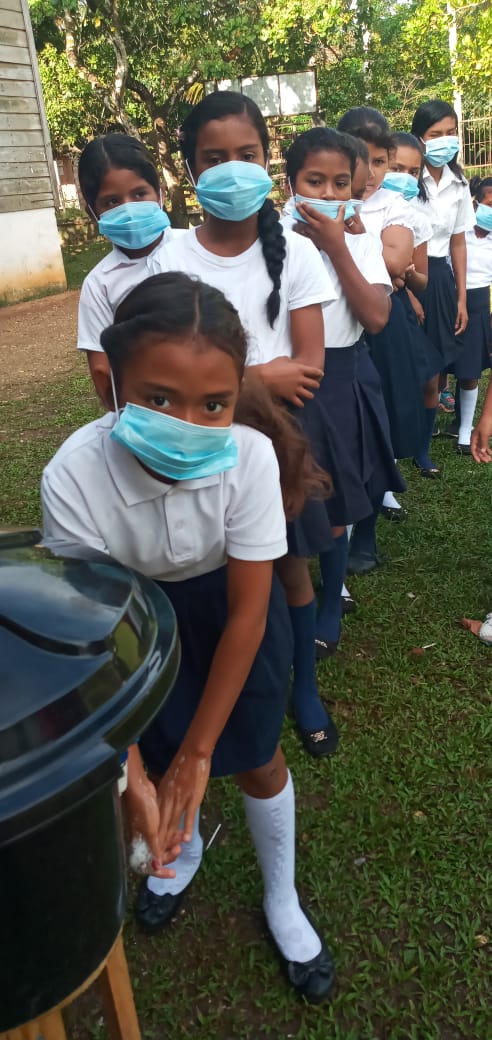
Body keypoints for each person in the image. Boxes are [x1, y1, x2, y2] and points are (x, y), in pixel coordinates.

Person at [42, 272, 335, 1004]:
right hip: (130, 625)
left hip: (231, 616)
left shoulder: (250, 459)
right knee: (159, 752)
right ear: (110, 384)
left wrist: (201, 752)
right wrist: (133, 771)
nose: (187, 424)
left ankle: (281, 895)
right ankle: (185, 845)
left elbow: (248, 614)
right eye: (158, 398)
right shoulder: (72, 477)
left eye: (213, 405)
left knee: (256, 756)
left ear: (237, 395)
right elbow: (93, 638)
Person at [150, 90, 340, 759]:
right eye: (214, 158)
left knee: (290, 569)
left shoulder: (297, 253)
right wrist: (260, 377)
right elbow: (159, 373)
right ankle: (219, 687)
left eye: (247, 154)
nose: (232, 169)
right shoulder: (169, 257)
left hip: (280, 445)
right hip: (193, 445)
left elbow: (308, 369)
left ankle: (304, 688)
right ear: (189, 170)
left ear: (267, 159)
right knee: (217, 573)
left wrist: (225, 386)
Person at [281, 126, 404, 654]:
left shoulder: (358, 242)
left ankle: (331, 598)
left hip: (339, 378)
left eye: (340, 183)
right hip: (281, 379)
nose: (329, 194)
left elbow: (376, 317)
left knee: (335, 496)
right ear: (290, 183)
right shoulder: (270, 239)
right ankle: (286, 593)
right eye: (315, 181)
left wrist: (338, 249)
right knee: (284, 497)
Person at [336, 107, 420, 568]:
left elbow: (395, 263)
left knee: (377, 425)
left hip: (381, 328)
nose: (368, 172)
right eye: (358, 158)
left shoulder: (395, 205)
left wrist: (346, 239)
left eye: (379, 161)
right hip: (331, 326)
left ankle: (365, 532)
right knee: (341, 432)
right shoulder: (322, 196)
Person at [76, 133, 181, 384]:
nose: (129, 209)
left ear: (161, 194)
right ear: (93, 213)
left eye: (139, 194)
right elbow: (102, 371)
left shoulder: (197, 247)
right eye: (112, 201)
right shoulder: (99, 284)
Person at [410, 100, 475, 443]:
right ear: (419, 138)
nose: (445, 141)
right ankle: (406, 428)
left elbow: (458, 243)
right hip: (406, 273)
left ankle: (425, 431)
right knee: (409, 354)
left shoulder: (459, 184)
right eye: (436, 134)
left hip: (439, 275)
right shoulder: (406, 180)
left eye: (451, 133)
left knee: (435, 355)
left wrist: (461, 297)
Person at [384, 132, 444, 478]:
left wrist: (407, 278)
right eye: (396, 168)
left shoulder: (416, 217)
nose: (404, 177)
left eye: (412, 171)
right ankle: (386, 461)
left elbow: (422, 279)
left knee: (429, 376)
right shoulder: (365, 209)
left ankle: (421, 449)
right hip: (375, 306)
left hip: (401, 304)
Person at [450, 176, 492, 452]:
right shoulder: (459, 234)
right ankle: (427, 420)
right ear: (476, 204)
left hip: (477, 304)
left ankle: (465, 430)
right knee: (436, 369)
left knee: (469, 369)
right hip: (449, 298)